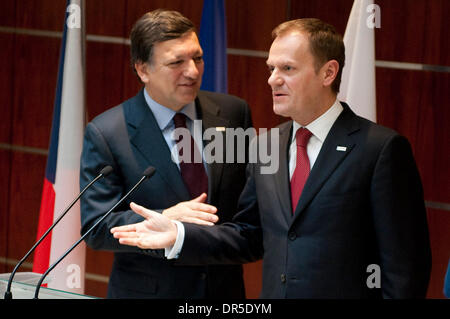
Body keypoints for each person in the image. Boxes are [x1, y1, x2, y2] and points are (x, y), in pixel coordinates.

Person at [111, 18, 432, 298]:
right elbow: (249, 235)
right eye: (271, 68)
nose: (272, 79)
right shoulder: (267, 145)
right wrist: (180, 235)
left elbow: (405, 268)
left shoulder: (380, 149)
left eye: (287, 69)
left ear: (328, 72)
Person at [80, 9, 253, 298]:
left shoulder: (234, 113)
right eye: (177, 62)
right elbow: (96, 227)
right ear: (143, 69)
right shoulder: (108, 133)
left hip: (223, 292)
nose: (193, 71)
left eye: (197, 58)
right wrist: (165, 218)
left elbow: (247, 209)